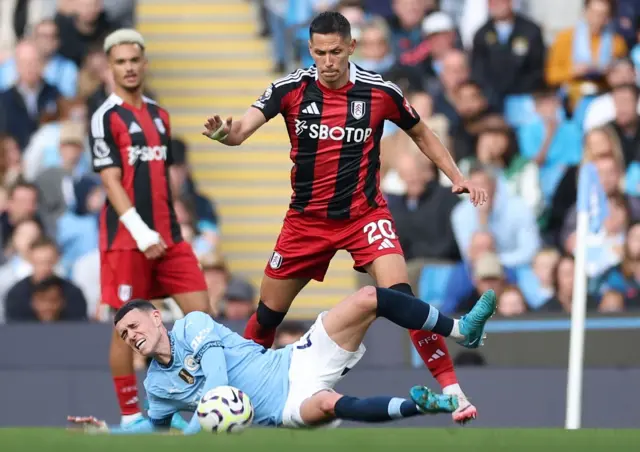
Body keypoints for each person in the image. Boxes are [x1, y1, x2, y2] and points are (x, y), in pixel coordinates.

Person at [202, 11, 486, 423]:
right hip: (306, 221)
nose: (328, 61)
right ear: (310, 50)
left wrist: (456, 176)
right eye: (319, 53)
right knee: (267, 315)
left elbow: (421, 131)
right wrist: (222, 134)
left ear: (351, 47)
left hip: (363, 215)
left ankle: (455, 393)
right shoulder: (290, 88)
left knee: (402, 299)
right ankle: (239, 398)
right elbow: (241, 129)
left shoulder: (379, 91)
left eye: (336, 52)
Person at [68, 287, 497, 433]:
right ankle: (419, 405)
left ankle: (462, 329)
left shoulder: (192, 325)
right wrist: (112, 436)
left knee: (368, 298)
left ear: (157, 318)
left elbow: (218, 384)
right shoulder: (157, 387)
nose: (132, 336)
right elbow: (156, 430)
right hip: (282, 410)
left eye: (136, 326)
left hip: (294, 363)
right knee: (328, 404)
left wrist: (197, 427)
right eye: (125, 335)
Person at [90, 29, 209, 430]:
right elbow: (110, 181)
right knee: (126, 329)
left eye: (134, 60)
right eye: (120, 61)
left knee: (202, 320)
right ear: (110, 68)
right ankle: (129, 418)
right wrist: (142, 233)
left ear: (144, 63)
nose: (128, 67)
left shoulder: (160, 114)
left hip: (170, 239)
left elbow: (163, 177)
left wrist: (176, 224)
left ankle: (182, 402)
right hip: (128, 241)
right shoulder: (105, 116)